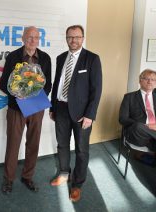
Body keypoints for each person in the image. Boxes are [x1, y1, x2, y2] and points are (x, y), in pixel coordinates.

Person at [49, 25, 102, 202]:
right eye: (70, 37)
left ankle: (77, 184)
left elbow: (96, 89)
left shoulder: (92, 59)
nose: (74, 40)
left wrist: (90, 114)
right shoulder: (61, 57)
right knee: (62, 145)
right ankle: (64, 174)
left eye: (77, 37)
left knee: (81, 150)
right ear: (66, 38)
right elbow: (57, 83)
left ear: (83, 38)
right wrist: (52, 107)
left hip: (82, 114)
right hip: (61, 109)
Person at [0, 26, 52, 194]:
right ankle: (8, 180)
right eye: (29, 37)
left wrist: (36, 95)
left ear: (39, 39)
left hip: (37, 107)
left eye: (36, 37)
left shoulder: (45, 58)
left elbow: (48, 84)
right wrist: (17, 94)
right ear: (23, 38)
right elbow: (3, 84)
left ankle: (27, 176)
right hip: (16, 107)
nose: (32, 40)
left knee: (33, 143)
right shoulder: (13, 57)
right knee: (13, 144)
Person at [119, 69, 156, 153]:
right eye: (147, 79)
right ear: (140, 81)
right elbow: (122, 119)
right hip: (138, 133)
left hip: (149, 136)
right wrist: (147, 126)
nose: (150, 82)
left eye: (153, 79)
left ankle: (151, 144)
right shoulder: (129, 97)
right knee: (138, 126)